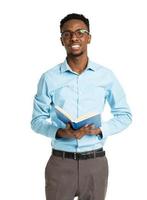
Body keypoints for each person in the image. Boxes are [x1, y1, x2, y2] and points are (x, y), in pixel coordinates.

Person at [31, 13, 132, 200]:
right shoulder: (49, 78)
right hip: (60, 163)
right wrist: (61, 132)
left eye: (80, 32)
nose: (74, 38)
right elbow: (37, 121)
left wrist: (100, 130)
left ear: (89, 37)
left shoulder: (106, 76)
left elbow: (125, 115)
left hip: (95, 163)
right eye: (67, 34)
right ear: (62, 40)